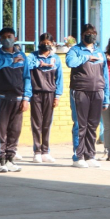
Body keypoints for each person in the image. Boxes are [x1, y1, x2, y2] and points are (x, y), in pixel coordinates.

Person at [66, 24, 110, 168]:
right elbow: (70, 62)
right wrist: (86, 57)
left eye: (93, 33)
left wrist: (106, 97)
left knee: (93, 124)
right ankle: (78, 157)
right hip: (80, 90)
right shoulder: (75, 50)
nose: (90, 35)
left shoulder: (100, 53)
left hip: (97, 91)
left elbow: (105, 75)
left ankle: (90, 155)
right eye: (87, 33)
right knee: (81, 124)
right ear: (82, 34)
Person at [0, 28, 31, 173]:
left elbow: (27, 77)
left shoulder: (22, 56)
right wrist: (11, 60)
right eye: (4, 37)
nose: (7, 39)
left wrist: (26, 98)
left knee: (15, 131)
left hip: (19, 98)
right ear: (0, 39)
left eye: (10, 36)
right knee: (1, 130)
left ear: (15, 38)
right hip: (2, 97)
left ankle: (10, 159)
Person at [27, 34, 63, 163]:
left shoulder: (56, 59)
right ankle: (37, 151)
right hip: (36, 93)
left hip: (50, 93)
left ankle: (45, 151)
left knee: (47, 123)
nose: (46, 45)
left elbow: (59, 78)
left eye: (48, 42)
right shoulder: (32, 56)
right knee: (36, 123)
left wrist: (57, 96)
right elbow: (27, 66)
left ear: (52, 44)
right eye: (43, 42)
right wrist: (40, 62)